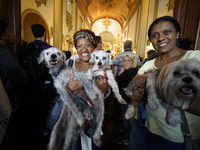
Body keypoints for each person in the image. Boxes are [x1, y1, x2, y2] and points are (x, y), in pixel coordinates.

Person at [128, 16, 200, 150]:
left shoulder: (194, 58)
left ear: (177, 33)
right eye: (155, 35)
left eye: (167, 32)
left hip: (173, 135)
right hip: (142, 126)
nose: (161, 38)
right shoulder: (149, 63)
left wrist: (150, 81)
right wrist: (135, 95)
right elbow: (134, 87)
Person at [66, 29, 109, 150]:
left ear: (94, 47)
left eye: (87, 45)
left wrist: (104, 88)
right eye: (79, 46)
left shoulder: (100, 65)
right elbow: (60, 90)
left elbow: (105, 93)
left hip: (93, 118)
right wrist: (70, 89)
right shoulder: (69, 64)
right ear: (76, 48)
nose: (83, 49)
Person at [21, 24, 58, 136]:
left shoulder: (28, 47)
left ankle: (35, 129)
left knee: (34, 107)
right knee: (46, 109)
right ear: (44, 34)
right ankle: (46, 130)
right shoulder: (49, 48)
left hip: (31, 83)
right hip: (46, 84)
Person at [0, 19, 29, 149]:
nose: (15, 35)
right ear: (3, 35)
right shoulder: (3, 53)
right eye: (11, 32)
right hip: (8, 101)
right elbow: (18, 75)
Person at [115, 51, 138, 146]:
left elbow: (118, 83)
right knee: (128, 120)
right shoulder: (133, 70)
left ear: (133, 61)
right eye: (124, 60)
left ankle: (126, 138)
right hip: (128, 98)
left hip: (128, 99)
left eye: (129, 60)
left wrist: (120, 73)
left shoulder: (129, 72)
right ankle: (127, 134)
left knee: (127, 120)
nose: (126, 62)